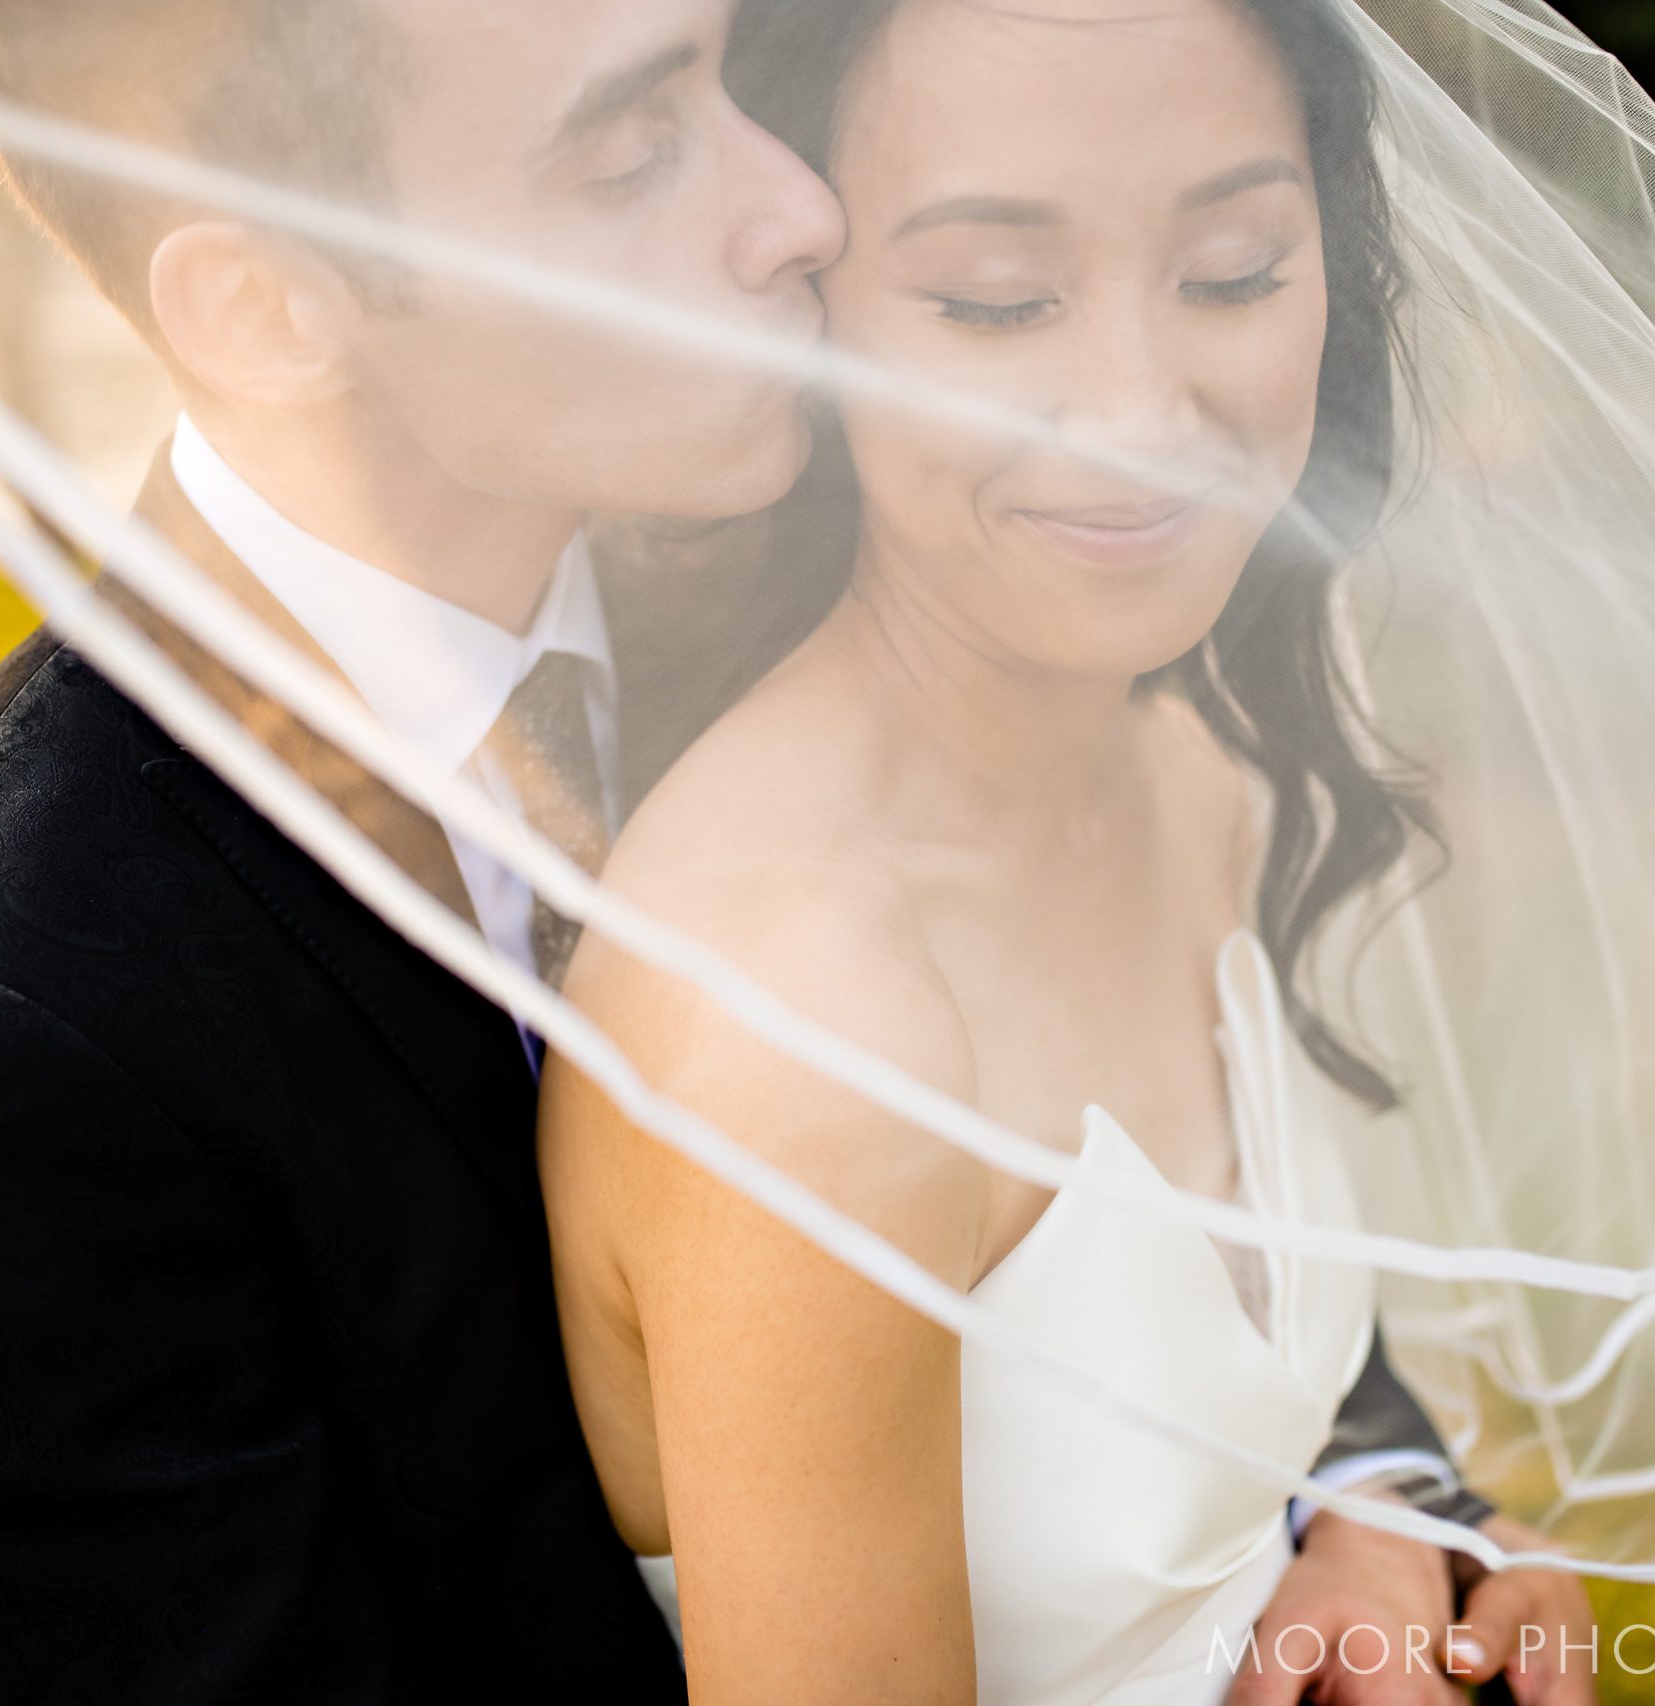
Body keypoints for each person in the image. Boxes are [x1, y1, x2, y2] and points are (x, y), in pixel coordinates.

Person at [0, 0, 1485, 1699]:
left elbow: (1156, 1226)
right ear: (268, 303)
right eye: (634, 152)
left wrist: (1378, 1516)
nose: (799, 212)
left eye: (732, 79)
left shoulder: (865, 568)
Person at [538, 0, 1596, 1700]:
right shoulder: (807, 1021)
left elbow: (1253, 1423)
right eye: (998, 302)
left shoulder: (1186, 764)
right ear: (807, 303)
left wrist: (1392, 1531)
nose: (1137, 404)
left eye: (1238, 269)